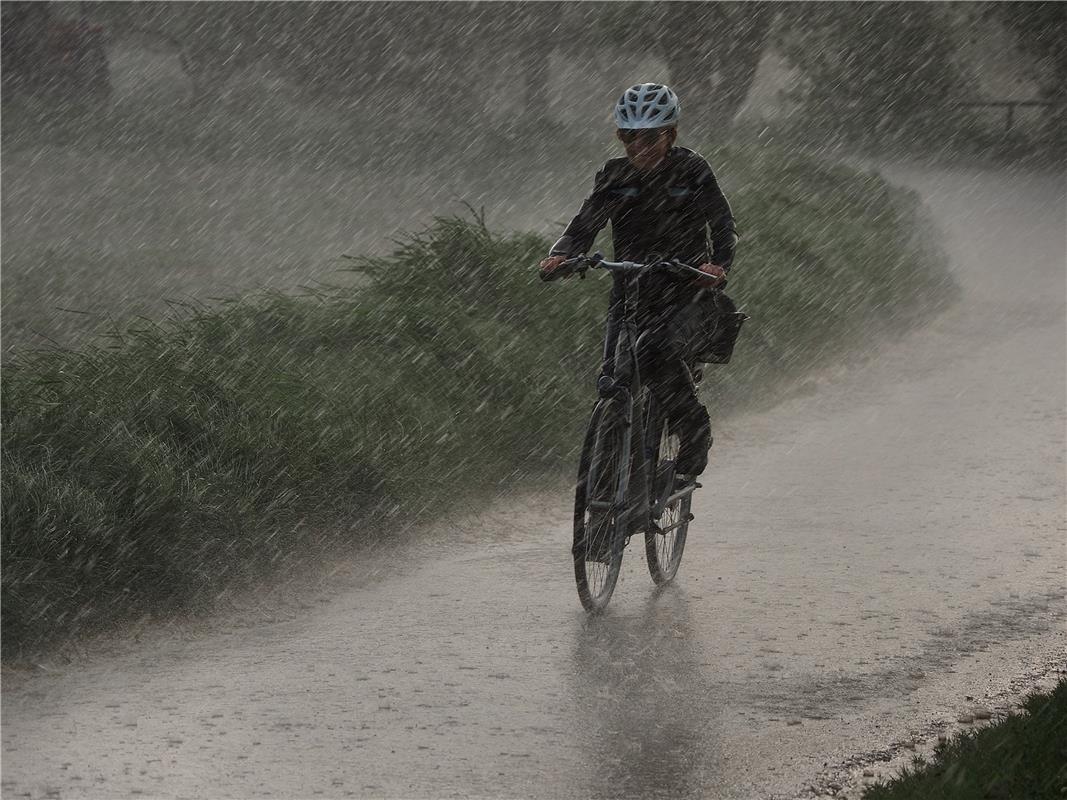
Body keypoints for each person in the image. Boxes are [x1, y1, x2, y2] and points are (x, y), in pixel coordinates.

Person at [539, 82, 738, 481]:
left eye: (651, 137)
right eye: (630, 138)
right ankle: (617, 482)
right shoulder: (614, 177)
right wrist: (560, 254)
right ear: (621, 137)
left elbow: (723, 223)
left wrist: (718, 264)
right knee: (613, 377)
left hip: (685, 289)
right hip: (629, 290)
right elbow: (586, 223)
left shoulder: (692, 170)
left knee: (655, 353)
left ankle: (693, 429)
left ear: (671, 134)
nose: (640, 147)